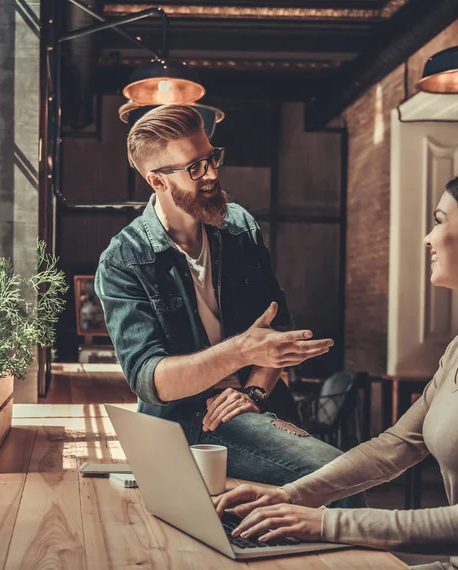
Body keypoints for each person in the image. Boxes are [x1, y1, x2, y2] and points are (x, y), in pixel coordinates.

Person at [214, 167, 458, 570]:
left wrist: (326, 522)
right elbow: (395, 446)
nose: (428, 238)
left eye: (440, 222)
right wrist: (290, 495)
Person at [94, 104, 364, 507]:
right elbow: (152, 381)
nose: (213, 175)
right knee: (340, 480)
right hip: (188, 423)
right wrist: (239, 351)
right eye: (195, 168)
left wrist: (254, 391)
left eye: (212, 159)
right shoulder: (124, 260)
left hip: (259, 404)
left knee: (346, 479)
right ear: (157, 181)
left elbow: (277, 330)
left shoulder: (238, 227)